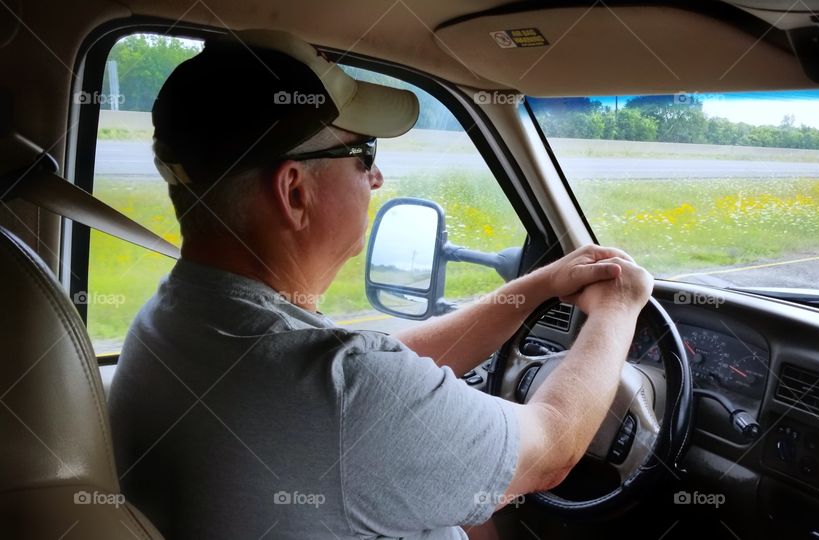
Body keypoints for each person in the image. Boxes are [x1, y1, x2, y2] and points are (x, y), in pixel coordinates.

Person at [108, 29, 653, 540]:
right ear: (294, 192)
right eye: (363, 153)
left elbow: (376, 367)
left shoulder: (179, 318)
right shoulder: (339, 390)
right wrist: (619, 308)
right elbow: (551, 448)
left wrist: (533, 289)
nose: (376, 177)